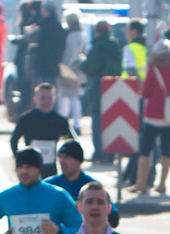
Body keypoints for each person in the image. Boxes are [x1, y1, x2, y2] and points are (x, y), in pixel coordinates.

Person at [129, 40, 170, 195]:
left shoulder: (153, 69)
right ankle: (162, 184)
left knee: (145, 150)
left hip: (152, 115)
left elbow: (145, 92)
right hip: (168, 117)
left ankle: (141, 183)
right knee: (167, 151)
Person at [10, 83, 74, 179]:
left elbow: (69, 140)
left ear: (54, 99)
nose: (46, 101)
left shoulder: (60, 121)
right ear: (35, 99)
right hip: (30, 167)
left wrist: (64, 157)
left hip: (51, 168)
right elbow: (14, 140)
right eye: (43, 98)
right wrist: (20, 158)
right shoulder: (26, 119)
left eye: (49, 98)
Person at [81, 20, 123, 164]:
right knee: (112, 122)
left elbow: (90, 67)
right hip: (115, 88)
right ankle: (111, 154)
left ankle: (99, 153)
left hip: (98, 89)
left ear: (97, 31)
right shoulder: (117, 47)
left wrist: (82, 63)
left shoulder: (97, 48)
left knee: (98, 123)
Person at [59, 11, 87, 134]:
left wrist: (63, 67)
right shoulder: (82, 33)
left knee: (65, 96)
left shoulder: (72, 35)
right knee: (74, 96)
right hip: (78, 67)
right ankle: (76, 123)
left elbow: (70, 53)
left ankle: (64, 122)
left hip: (70, 67)